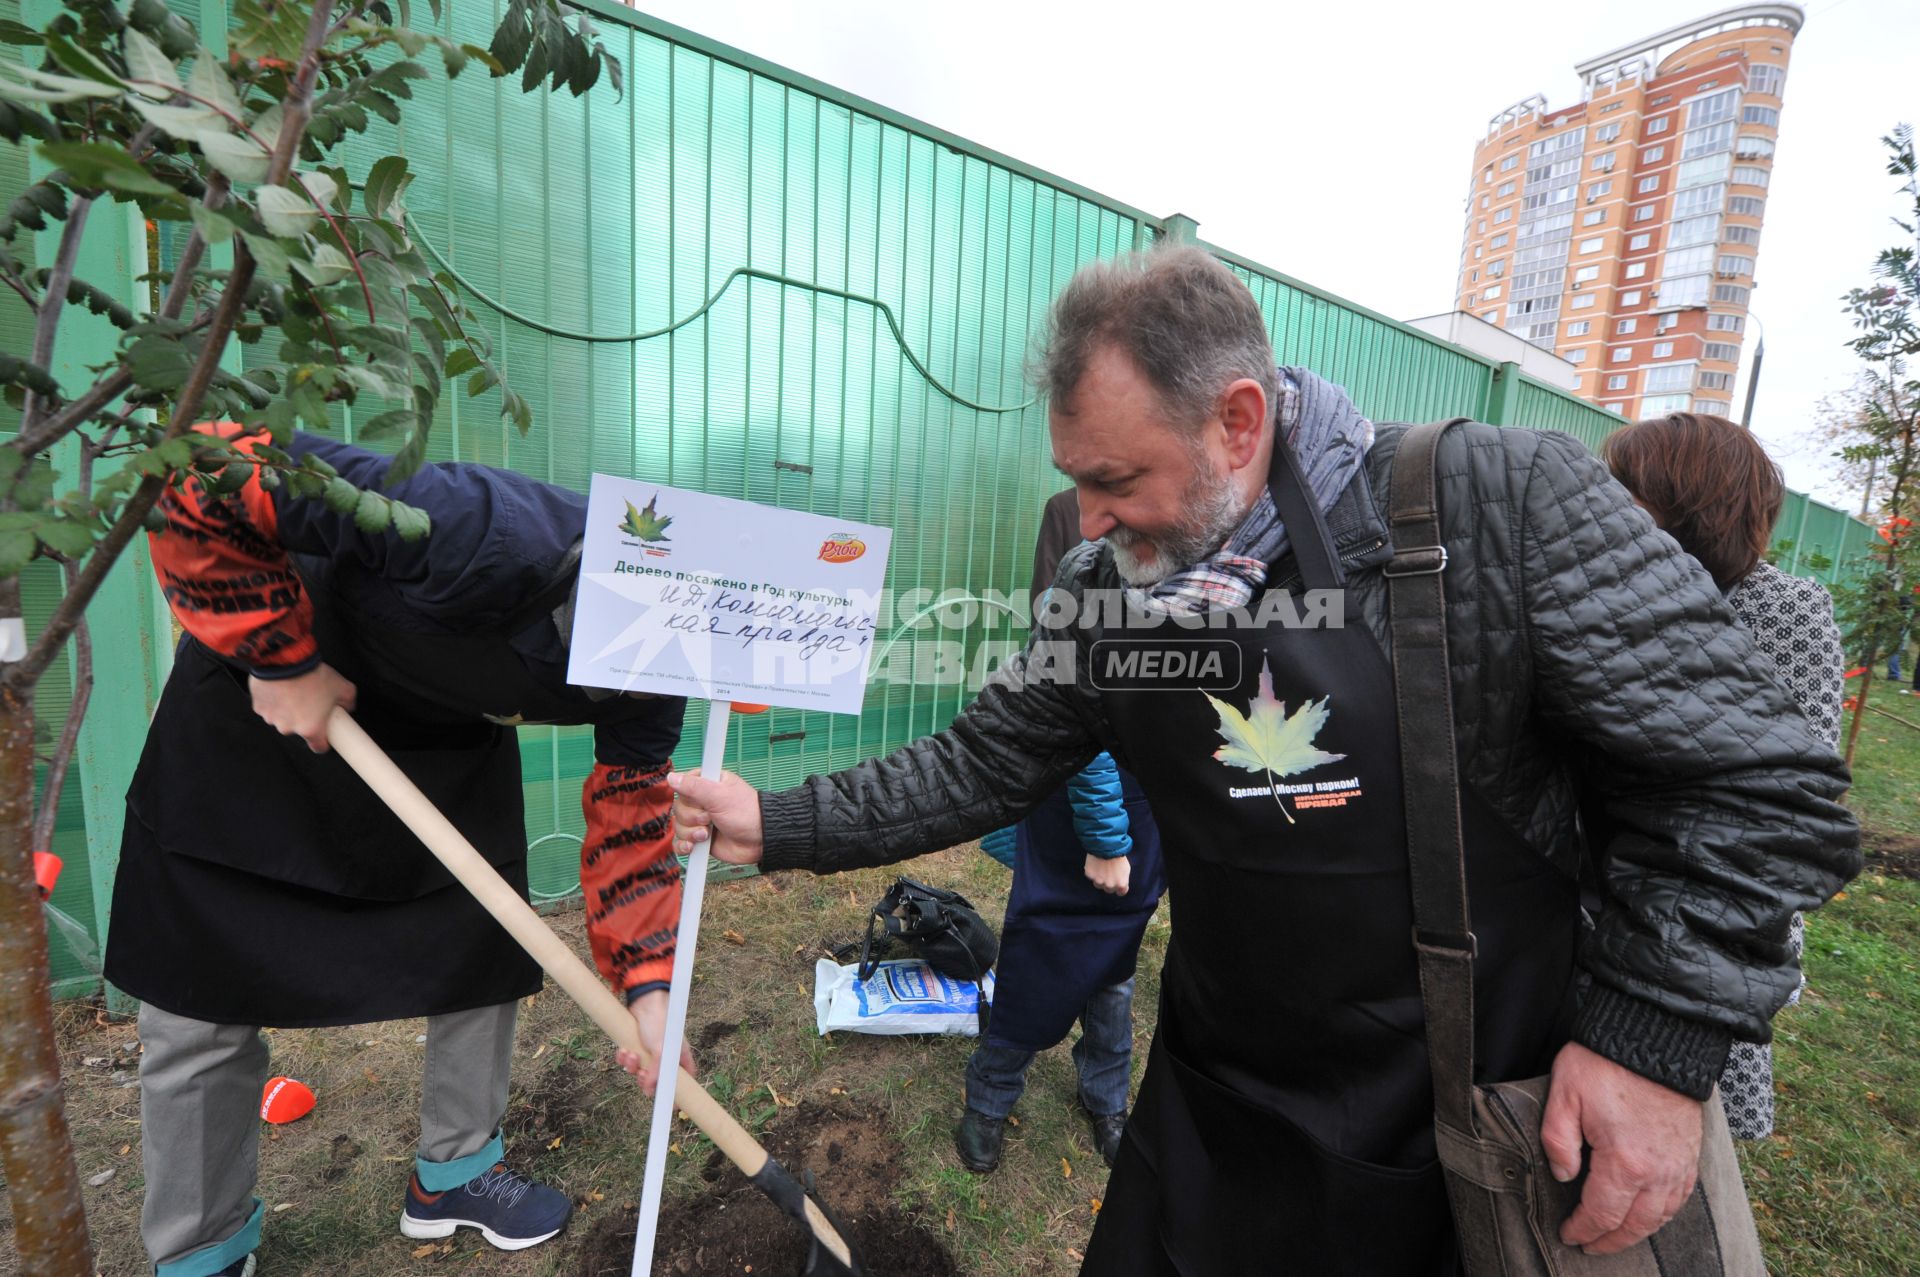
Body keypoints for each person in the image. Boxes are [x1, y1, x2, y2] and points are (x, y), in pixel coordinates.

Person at [669, 246, 1859, 1274]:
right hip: (1220, 1103)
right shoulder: (1119, 607)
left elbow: (1751, 783)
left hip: (1463, 1119)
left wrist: (1653, 1047)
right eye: (1075, 477)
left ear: (1238, 420)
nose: (1082, 520)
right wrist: (776, 819)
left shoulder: (1487, 512)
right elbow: (986, 761)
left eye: (1112, 479)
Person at [104, 426, 693, 1277]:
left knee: (481, 953)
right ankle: (201, 1246)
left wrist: (649, 991)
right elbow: (204, 464)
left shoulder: (663, 668)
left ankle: (456, 1172)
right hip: (258, 717)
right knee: (201, 991)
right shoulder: (478, 526)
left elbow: (632, 826)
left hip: (436, 752)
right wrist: (280, 656)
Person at [1602, 412, 1846, 1140]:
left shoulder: (1782, 608)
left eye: (1628, 489)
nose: (1607, 502)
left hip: (1715, 908)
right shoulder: (1613, 590)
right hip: (1609, 884)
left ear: (1693, 500)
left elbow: (1794, 795)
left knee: (1682, 1125)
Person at [962, 490, 1166, 1173]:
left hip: (1146, 813)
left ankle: (1105, 1096)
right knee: (1041, 955)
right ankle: (989, 1097)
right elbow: (1076, 710)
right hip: (1081, 805)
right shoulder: (1074, 526)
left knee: (1115, 974)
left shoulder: (1198, 553)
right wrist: (1106, 837)